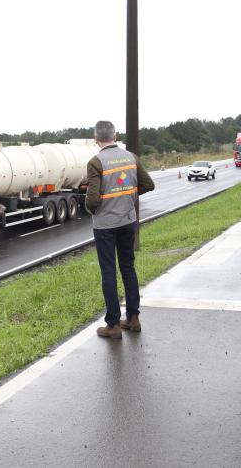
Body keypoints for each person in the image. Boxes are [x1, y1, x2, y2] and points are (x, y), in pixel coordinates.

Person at [85, 120, 155, 339]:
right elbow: (148, 184)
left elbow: (92, 200)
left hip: (105, 226)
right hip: (128, 221)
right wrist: (128, 197)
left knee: (108, 271)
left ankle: (113, 324)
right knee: (128, 267)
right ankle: (133, 318)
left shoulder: (96, 162)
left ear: (96, 139)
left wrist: (93, 207)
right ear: (115, 137)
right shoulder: (131, 157)